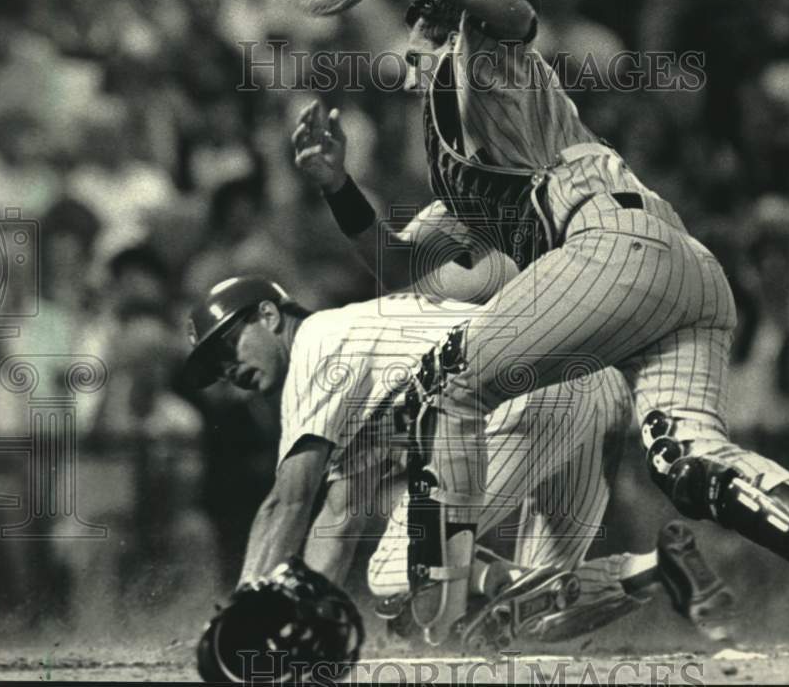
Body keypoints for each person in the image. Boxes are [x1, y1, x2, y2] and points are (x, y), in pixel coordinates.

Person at [290, 0, 789, 651]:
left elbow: (517, 15)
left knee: (447, 383)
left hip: (611, 242)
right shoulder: (463, 171)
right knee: (687, 459)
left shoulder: (485, 61)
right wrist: (337, 187)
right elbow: (398, 264)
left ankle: (448, 615)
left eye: (429, 19)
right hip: (678, 274)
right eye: (418, 22)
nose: (418, 37)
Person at [182, 276, 735, 650]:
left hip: (522, 397)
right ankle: (658, 565)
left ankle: (503, 580)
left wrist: (243, 613)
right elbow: (339, 515)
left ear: (269, 315)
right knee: (535, 618)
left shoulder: (316, 344)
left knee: (395, 578)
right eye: (214, 365)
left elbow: (289, 499)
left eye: (227, 346)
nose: (226, 368)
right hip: (585, 388)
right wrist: (299, 612)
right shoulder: (354, 354)